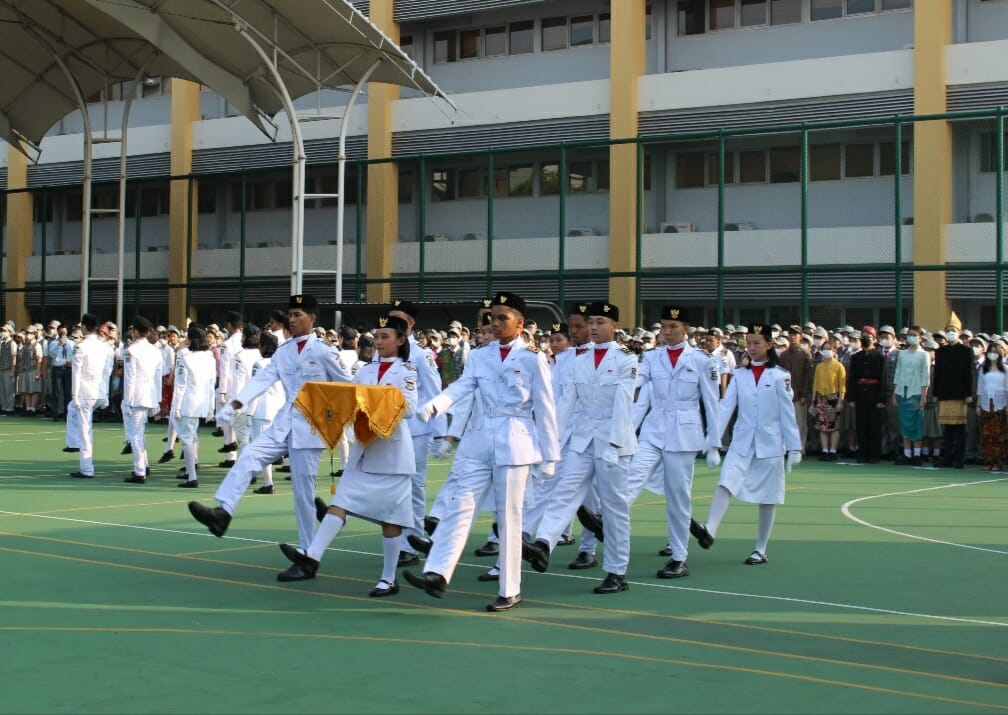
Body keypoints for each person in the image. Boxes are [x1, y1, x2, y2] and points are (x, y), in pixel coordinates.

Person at [403, 291, 559, 612]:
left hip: (515, 442)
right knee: (460, 507)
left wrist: (550, 457)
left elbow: (545, 409)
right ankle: (437, 573)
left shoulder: (532, 358)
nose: (497, 323)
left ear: (520, 323)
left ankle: (509, 589)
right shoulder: (481, 355)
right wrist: (436, 405)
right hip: (479, 440)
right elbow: (463, 386)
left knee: (509, 517)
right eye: (493, 317)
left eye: (504, 318)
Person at [187, 295, 352, 554]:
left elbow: (348, 386)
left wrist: (335, 418)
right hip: (285, 421)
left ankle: (308, 552)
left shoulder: (324, 351)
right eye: (291, 315)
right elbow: (264, 378)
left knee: (302, 493)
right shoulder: (284, 351)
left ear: (312, 318)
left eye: (298, 314)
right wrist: (236, 404)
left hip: (311, 427)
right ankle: (223, 512)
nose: (293, 319)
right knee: (250, 454)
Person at [276, 313, 418, 595]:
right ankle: (311, 558)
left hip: (392, 452)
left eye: (385, 337)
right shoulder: (364, 371)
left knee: (391, 519)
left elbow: (410, 408)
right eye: (376, 337)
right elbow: (350, 399)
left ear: (401, 341)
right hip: (365, 450)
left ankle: (389, 578)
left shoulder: (407, 371)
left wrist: (377, 399)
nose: (378, 342)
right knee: (339, 503)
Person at [521, 301, 636, 594]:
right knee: (564, 491)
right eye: (592, 322)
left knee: (614, 507)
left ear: (615, 327)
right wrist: (550, 443)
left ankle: (616, 571)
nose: (595, 327)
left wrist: (614, 444)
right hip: (583, 439)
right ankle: (544, 543)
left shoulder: (626, 359)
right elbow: (565, 404)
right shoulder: (579, 360)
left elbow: (624, 407)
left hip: (614, 442)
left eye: (601, 322)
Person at [692, 324, 802, 566]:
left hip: (770, 444)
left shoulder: (780, 376)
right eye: (748, 343)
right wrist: (713, 442)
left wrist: (794, 447)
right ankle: (709, 529)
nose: (751, 348)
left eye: (757, 343)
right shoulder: (739, 375)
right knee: (726, 481)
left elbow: (787, 413)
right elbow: (725, 408)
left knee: (768, 497)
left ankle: (760, 548)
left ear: (769, 345)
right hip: (742, 441)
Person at [625, 305, 721, 579]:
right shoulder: (652, 357)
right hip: (654, 430)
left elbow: (712, 403)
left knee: (678, 497)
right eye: (663, 327)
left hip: (684, 433)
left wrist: (714, 444)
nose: (666, 332)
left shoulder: (702, 360)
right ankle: (607, 523)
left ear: (686, 330)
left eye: (673, 327)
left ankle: (679, 556)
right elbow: (636, 385)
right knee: (634, 474)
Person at [386, 299, 446, 568]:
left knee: (414, 487)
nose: (391, 323)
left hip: (417, 430)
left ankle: (413, 541)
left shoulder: (421, 355)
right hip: (388, 428)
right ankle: (397, 541)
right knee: (391, 487)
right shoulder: (383, 351)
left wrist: (439, 433)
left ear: (410, 324)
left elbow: (435, 394)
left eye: (398, 319)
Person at [66, 313, 115, 478]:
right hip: (99, 390)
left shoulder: (81, 346)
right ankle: (74, 445)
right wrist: (106, 394)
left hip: (86, 391)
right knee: (80, 422)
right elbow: (108, 372)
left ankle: (86, 468)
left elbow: (76, 373)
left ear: (85, 327)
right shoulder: (106, 347)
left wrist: (74, 395)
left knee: (85, 430)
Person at [121, 317, 165, 483]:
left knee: (135, 435)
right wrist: (158, 400)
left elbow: (130, 379)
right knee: (139, 433)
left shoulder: (131, 351)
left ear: (135, 331)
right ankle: (143, 465)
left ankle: (139, 471)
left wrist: (128, 401)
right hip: (149, 394)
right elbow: (157, 378)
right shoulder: (155, 351)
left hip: (136, 396)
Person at [172, 324, 217, 486]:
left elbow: (180, 386)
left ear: (191, 340)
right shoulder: (210, 358)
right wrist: (211, 408)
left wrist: (176, 408)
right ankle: (191, 473)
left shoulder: (186, 359)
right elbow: (212, 384)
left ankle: (191, 476)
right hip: (203, 403)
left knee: (187, 439)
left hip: (187, 404)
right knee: (192, 436)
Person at [933, 314, 975, 469]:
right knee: (947, 428)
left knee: (960, 428)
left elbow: (968, 374)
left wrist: (969, 394)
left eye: (953, 330)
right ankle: (947, 458)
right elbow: (937, 374)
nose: (950, 332)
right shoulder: (941, 352)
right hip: (944, 393)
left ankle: (959, 459)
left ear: (959, 332)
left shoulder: (966, 351)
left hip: (960, 394)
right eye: (948, 330)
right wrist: (936, 393)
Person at [249, 332, 285, 494]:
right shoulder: (282, 363)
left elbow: (256, 389)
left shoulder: (259, 364)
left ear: (262, 347)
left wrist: (249, 412)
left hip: (263, 411)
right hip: (279, 409)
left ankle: (268, 483)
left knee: (262, 448)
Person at [846, 326, 887, 463]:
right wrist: (851, 397)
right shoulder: (856, 357)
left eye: (869, 337)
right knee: (861, 426)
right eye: (864, 337)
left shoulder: (879, 357)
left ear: (874, 339)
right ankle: (862, 453)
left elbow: (883, 378)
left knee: (874, 426)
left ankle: (874, 455)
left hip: (875, 395)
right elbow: (852, 378)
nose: (866, 339)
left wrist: (882, 398)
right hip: (860, 395)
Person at [891, 326, 930, 466]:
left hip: (916, 392)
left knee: (916, 424)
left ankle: (917, 454)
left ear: (920, 337)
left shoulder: (924, 354)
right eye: (909, 335)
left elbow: (925, 376)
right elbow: (898, 373)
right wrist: (895, 394)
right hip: (902, 391)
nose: (911, 337)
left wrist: (923, 396)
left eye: (914, 335)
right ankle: (907, 454)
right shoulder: (902, 354)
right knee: (904, 424)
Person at [778, 325, 814, 454]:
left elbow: (808, 376)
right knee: (785, 423)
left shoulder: (805, 354)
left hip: (799, 395)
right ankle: (788, 449)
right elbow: (779, 375)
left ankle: (800, 449)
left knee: (800, 424)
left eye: (795, 335)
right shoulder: (783, 355)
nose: (793, 337)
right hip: (785, 395)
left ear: (800, 337)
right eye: (791, 334)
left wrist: (804, 394)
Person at [976, 341, 1008, 472]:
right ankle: (988, 461)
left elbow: (1007, 388)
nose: (992, 355)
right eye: (990, 352)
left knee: (998, 434)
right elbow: (980, 388)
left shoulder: (1005, 369)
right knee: (986, 434)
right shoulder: (983, 369)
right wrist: (978, 404)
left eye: (995, 352)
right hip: (985, 403)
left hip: (1000, 404)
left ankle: (998, 462)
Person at [811, 343, 845, 460]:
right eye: (824, 349)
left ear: (834, 350)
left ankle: (833, 451)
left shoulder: (839, 366)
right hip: (820, 399)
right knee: (822, 426)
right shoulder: (819, 366)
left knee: (834, 427)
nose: (826, 351)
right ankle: (825, 450)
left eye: (829, 349)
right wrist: (813, 402)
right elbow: (815, 385)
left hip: (833, 398)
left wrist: (841, 401)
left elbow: (842, 386)